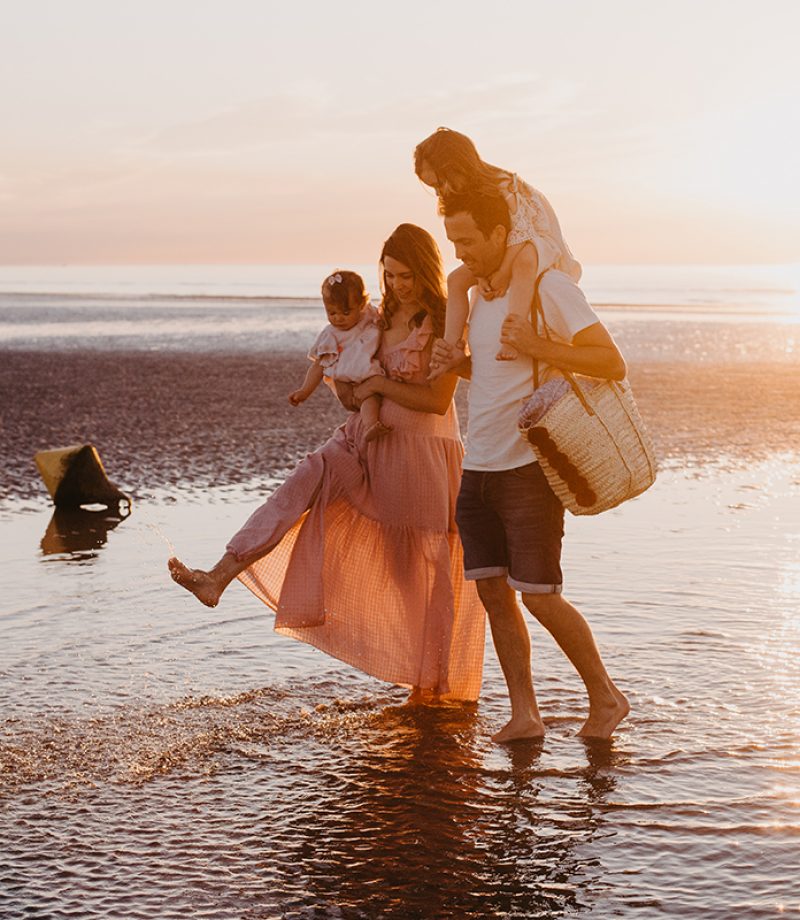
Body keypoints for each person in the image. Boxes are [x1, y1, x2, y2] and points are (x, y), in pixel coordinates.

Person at [168, 224, 485, 703]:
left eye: (406, 275)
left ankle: (432, 686)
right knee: (298, 486)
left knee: (420, 572)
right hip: (363, 442)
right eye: (390, 275)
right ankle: (218, 576)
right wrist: (349, 390)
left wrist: (377, 389)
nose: (398, 285)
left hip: (421, 458)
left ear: (425, 269)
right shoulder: (378, 317)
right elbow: (348, 386)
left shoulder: (440, 320)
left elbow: (439, 400)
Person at [433, 188, 630, 741]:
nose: (461, 252)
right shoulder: (481, 299)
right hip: (480, 467)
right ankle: (526, 714)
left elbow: (611, 363)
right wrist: (461, 363)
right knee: (494, 594)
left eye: (469, 240)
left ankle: (608, 698)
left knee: (539, 596)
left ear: (501, 234)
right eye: (454, 242)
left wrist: (541, 345)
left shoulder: (548, 287)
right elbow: (499, 378)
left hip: (528, 468)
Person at [414, 126, 580, 370]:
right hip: (507, 246)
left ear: (455, 167)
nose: (439, 191)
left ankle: (513, 336)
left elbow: (521, 234)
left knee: (524, 262)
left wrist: (501, 273)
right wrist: (482, 273)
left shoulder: (502, 183)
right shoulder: (464, 195)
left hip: (537, 239)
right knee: (456, 280)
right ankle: (450, 346)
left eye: (440, 183)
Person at [289, 270, 391, 444]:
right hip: (346, 378)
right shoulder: (330, 335)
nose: (338, 319)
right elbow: (318, 367)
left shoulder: (369, 316)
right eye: (332, 313)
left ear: (361, 305)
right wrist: (304, 391)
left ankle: (371, 426)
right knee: (362, 398)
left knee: (370, 397)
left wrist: (382, 322)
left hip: (367, 373)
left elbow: (384, 318)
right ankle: (370, 427)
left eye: (345, 312)